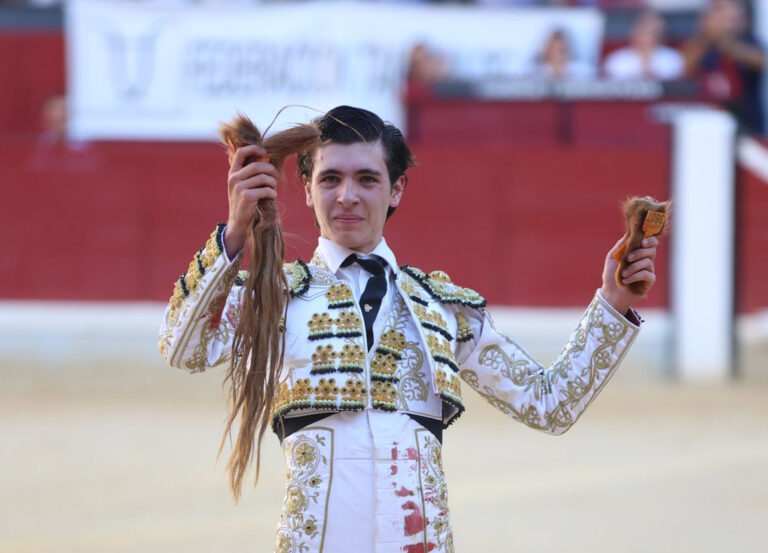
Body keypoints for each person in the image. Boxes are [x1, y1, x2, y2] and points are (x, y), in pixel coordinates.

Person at [158, 105, 659, 553]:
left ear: (397, 188)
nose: (347, 196)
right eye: (330, 179)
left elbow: (551, 404)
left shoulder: (442, 308)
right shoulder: (273, 296)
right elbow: (183, 348)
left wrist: (612, 304)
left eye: (367, 179)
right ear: (307, 189)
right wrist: (235, 232)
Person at [682, 0, 765, 134]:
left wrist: (726, 42)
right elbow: (684, 67)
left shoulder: (749, 40)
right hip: (708, 121)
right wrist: (707, 36)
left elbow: (760, 61)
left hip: (747, 121)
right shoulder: (702, 43)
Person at [603, 11, 685, 81]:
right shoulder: (617, 60)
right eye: (644, 30)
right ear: (634, 32)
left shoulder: (673, 58)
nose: (647, 36)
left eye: (653, 32)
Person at [531, 29, 596, 80]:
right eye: (555, 49)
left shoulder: (583, 71)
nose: (558, 54)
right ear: (547, 50)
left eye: (562, 49)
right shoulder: (536, 72)